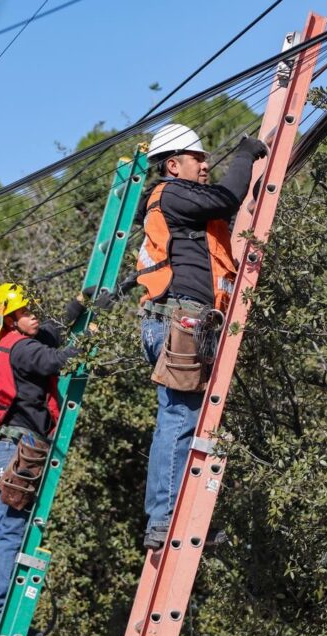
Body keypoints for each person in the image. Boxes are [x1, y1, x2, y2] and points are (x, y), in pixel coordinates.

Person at [135, 123, 268, 550]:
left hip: (186, 323)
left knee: (188, 420)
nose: (206, 164)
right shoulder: (171, 193)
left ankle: (180, 517)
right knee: (178, 419)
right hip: (178, 321)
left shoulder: (184, 205)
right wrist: (246, 154)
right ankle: (163, 519)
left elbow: (221, 208)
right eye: (198, 159)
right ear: (173, 165)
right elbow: (228, 198)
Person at [0, 282, 85, 636]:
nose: (33, 314)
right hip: (15, 453)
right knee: (9, 536)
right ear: (10, 318)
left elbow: (48, 333)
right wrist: (89, 338)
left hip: (4, 451)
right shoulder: (20, 349)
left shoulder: (6, 346)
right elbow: (53, 359)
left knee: (10, 535)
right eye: (26, 311)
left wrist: (79, 305)